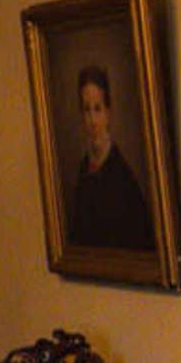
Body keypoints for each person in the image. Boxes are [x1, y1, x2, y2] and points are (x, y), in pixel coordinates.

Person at [63, 59, 157, 255]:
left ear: (108, 112)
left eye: (97, 109)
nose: (92, 120)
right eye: (86, 110)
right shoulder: (83, 171)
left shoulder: (122, 177)